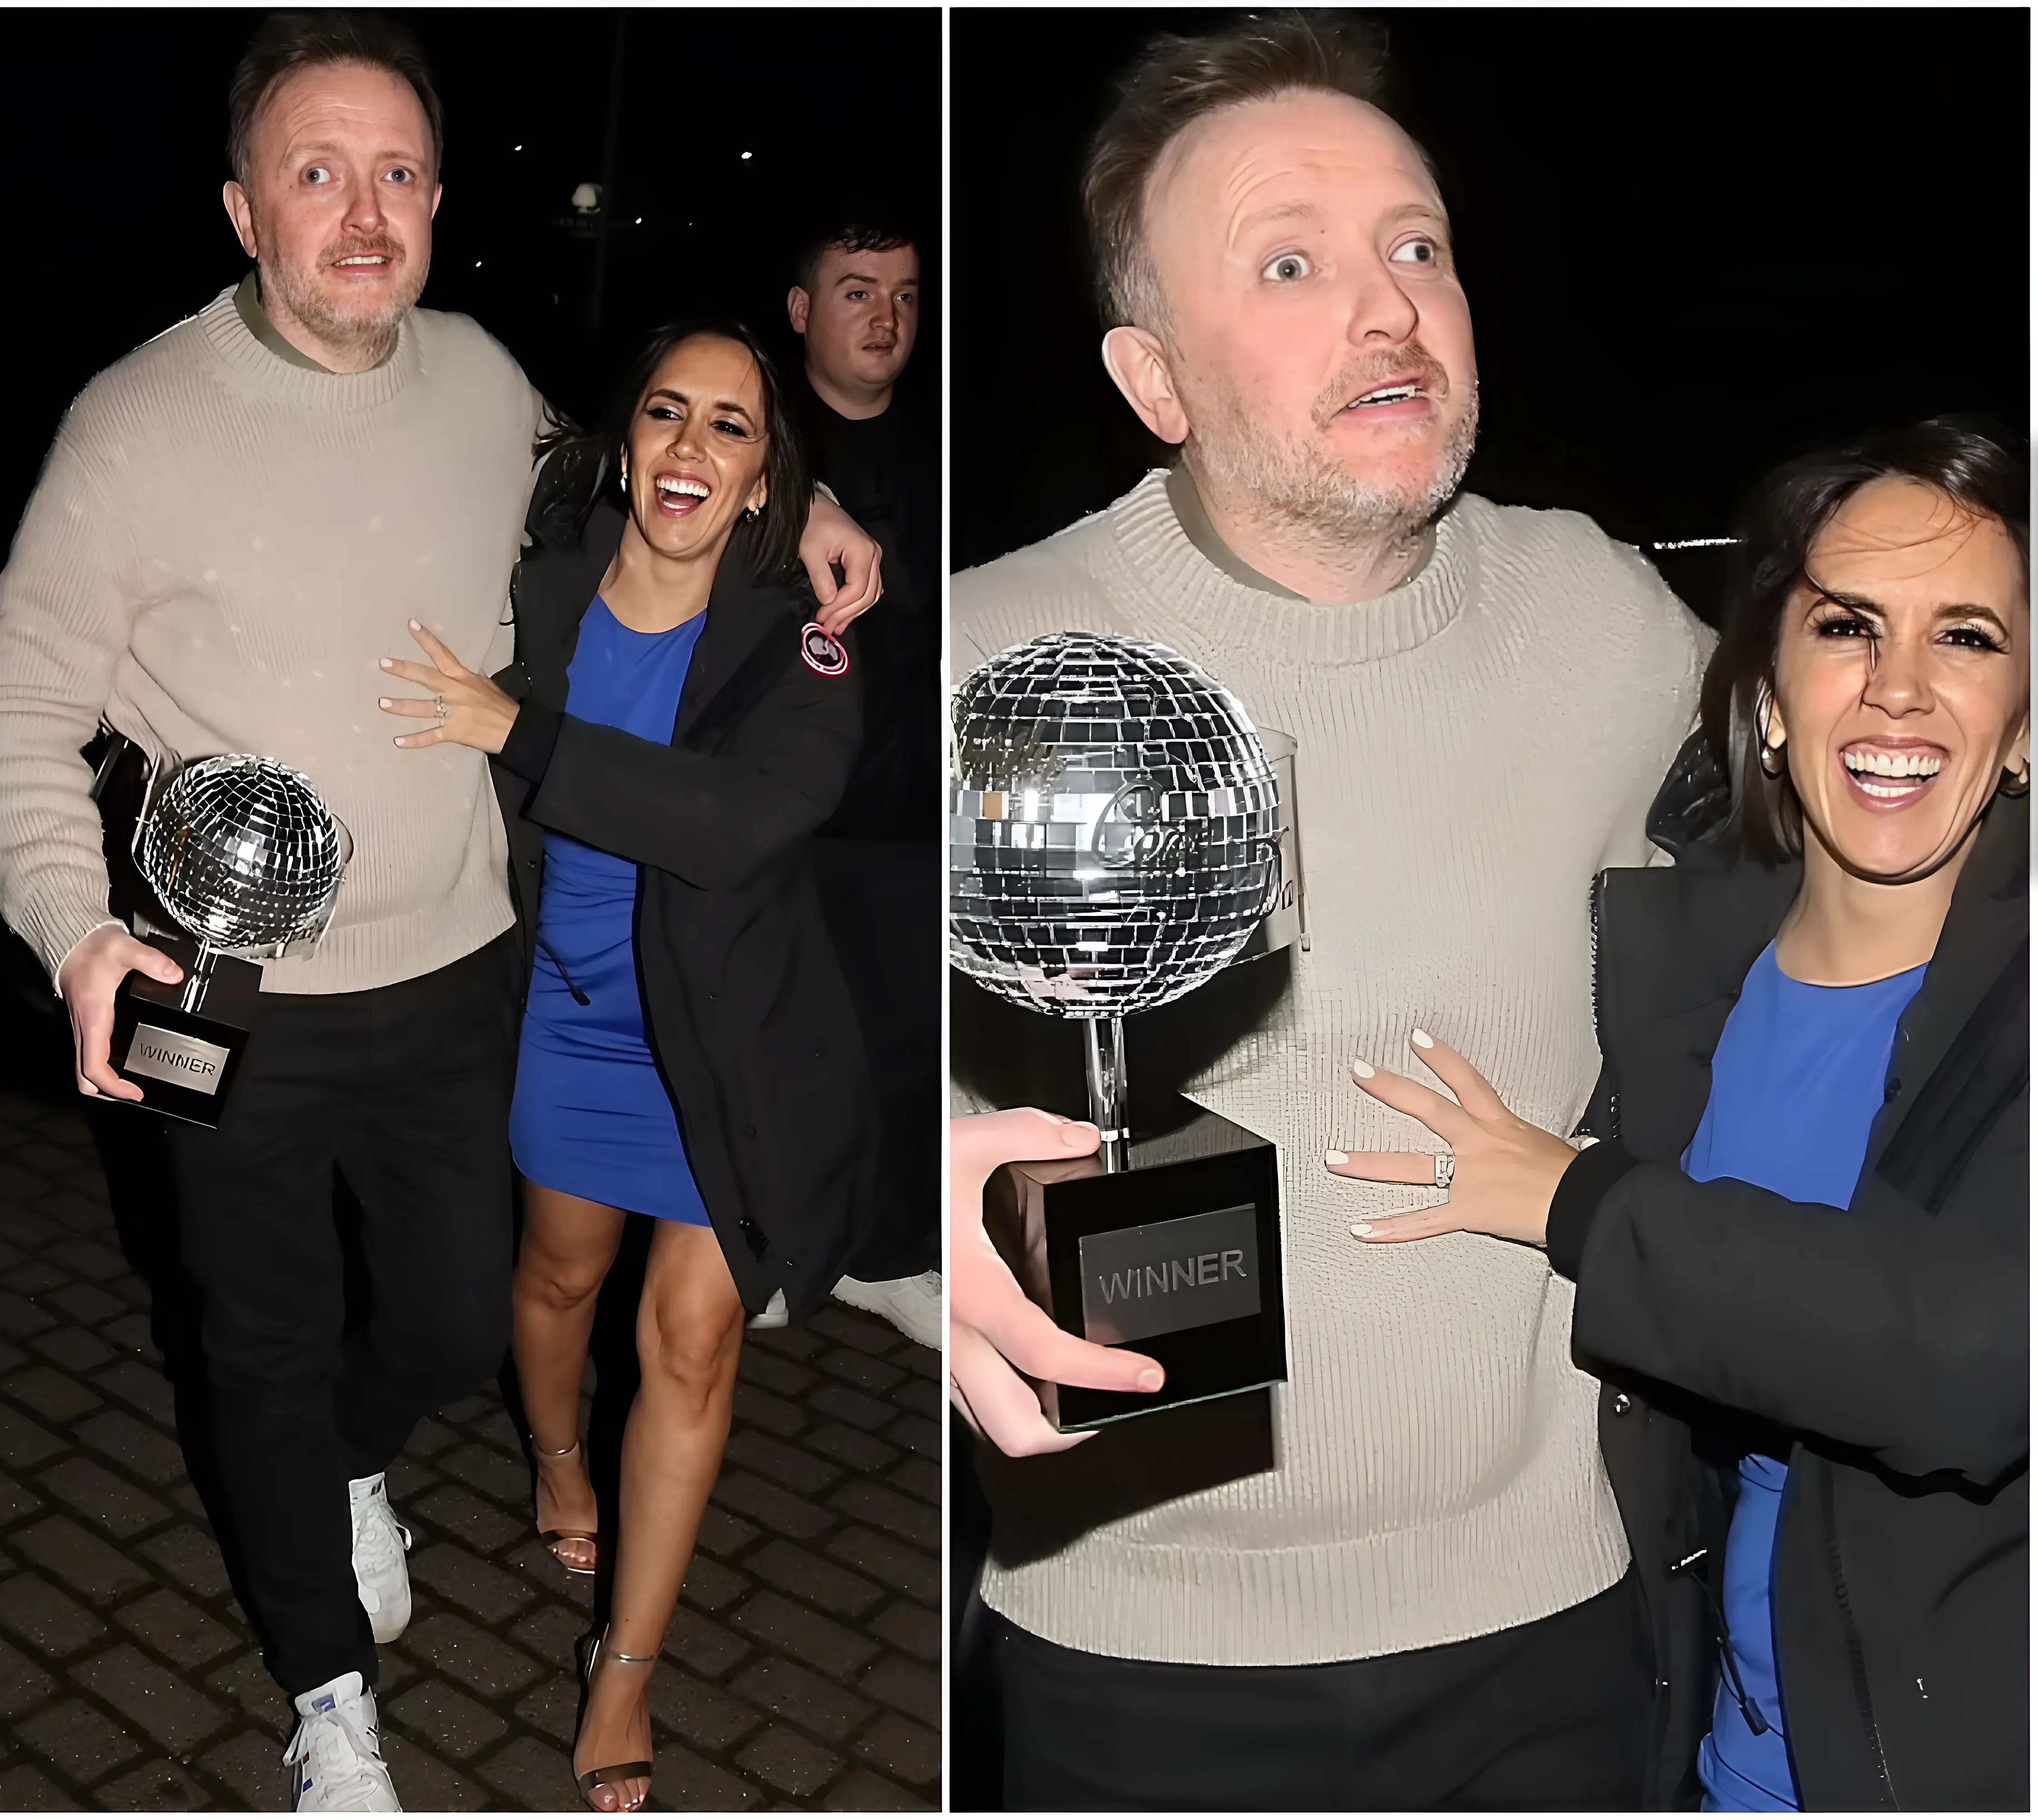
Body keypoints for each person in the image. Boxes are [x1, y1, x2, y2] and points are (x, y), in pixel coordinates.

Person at [0, 15, 879, 1812]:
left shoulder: (477, 383)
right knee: (258, 1336)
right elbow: (17, 706)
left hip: (464, 978)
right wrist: (80, 932)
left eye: (396, 173)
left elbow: (656, 465)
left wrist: (818, 496)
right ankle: (330, 1695)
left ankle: (356, 1456)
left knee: (467, 1318)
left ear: (440, 202)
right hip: (220, 994)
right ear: (245, 208)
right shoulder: (133, 425)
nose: (362, 210)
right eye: (318, 171)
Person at [950, 14, 1709, 1809]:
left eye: (1417, 246)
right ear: (1156, 379)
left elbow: (1886, 842)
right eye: (1290, 262)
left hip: (1544, 1631)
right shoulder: (994, 656)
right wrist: (924, 1172)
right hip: (1131, 1645)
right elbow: (775, 1014)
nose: (1390, 306)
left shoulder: (1599, 620)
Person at [1340, 418, 2028, 1810]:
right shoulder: (1678, 983)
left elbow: (1969, 1356)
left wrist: (1580, 1203)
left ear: (2023, 728)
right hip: (1715, 1755)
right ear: (1770, 694)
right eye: (1847, 628)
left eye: (1965, 639)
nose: (1900, 693)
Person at [380, 318, 877, 1812]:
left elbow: (731, 824)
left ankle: (628, 1666)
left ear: (761, 477)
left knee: (689, 1338)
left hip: (724, 1047)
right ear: (627, 439)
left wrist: (513, 729)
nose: (691, 449)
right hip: (563, 1011)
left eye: (732, 428)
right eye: (669, 414)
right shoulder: (531, 588)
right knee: (556, 1283)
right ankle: (552, 1458)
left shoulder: (803, 637)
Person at [787, 221, 943, 1346]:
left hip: (905, 820)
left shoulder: (946, 451)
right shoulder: (754, 443)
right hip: (775, 815)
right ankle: (772, 1248)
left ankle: (888, 1255)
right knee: (770, 1044)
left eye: (904, 292)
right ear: (802, 311)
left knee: (899, 1044)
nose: (884, 315)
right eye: (855, 291)